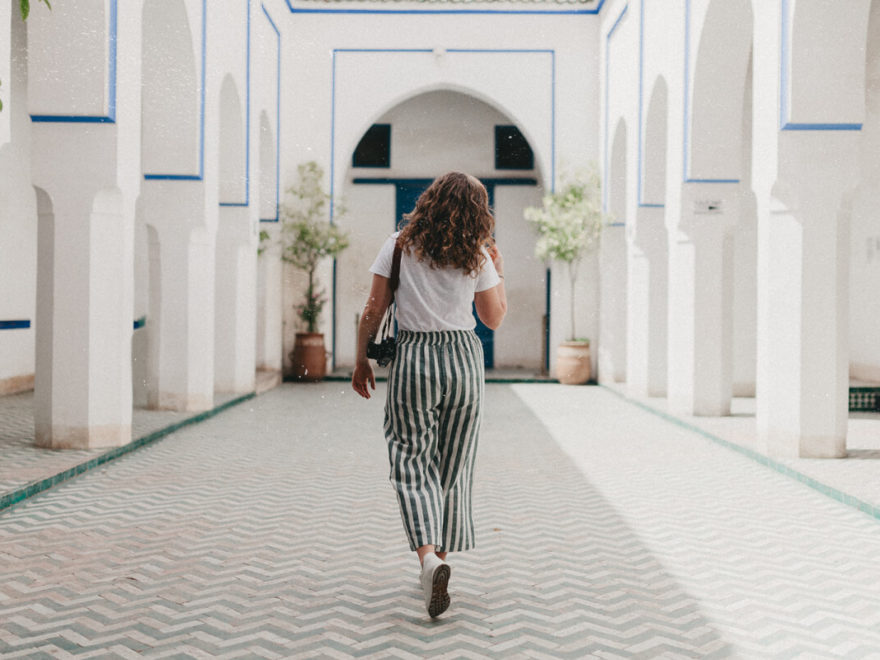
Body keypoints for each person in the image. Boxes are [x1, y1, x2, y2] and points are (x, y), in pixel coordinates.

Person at [352, 172, 507, 618]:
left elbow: (373, 309)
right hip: (463, 360)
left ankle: (429, 560)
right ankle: (439, 558)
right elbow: (494, 318)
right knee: (453, 464)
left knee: (410, 456)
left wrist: (361, 359)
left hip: (414, 357)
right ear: (477, 211)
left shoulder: (399, 245)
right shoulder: (477, 252)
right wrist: (500, 271)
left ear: (430, 200)